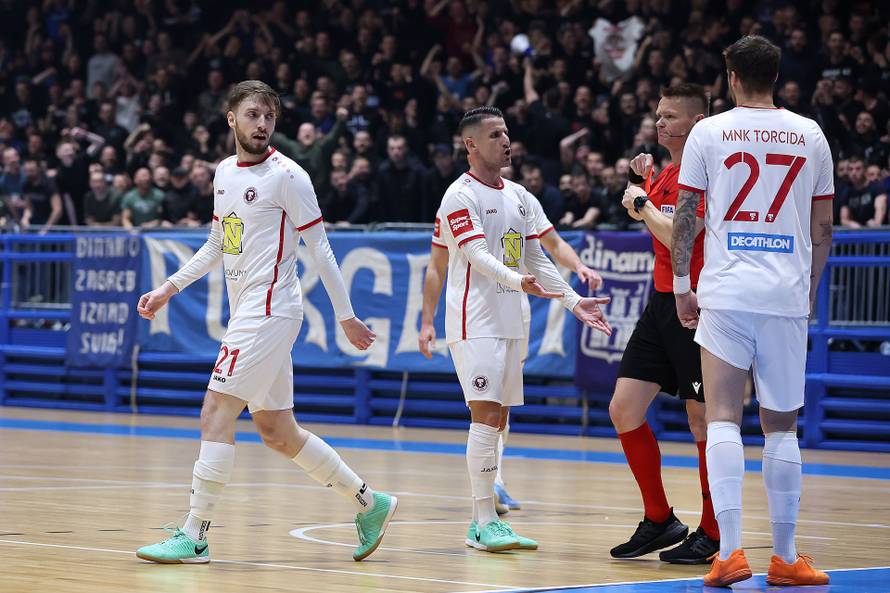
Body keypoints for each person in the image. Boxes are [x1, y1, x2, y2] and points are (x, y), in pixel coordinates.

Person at [134, 80, 397, 564]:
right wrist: (170, 288)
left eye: (270, 117)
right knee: (278, 431)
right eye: (253, 114)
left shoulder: (288, 176)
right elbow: (219, 243)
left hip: (270, 309)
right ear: (231, 118)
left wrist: (347, 316)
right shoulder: (224, 172)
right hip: (252, 311)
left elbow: (320, 247)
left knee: (215, 412)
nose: (262, 124)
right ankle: (371, 503)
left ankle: (195, 534)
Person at [670, 36, 834, 587]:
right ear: (777, 76)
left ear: (732, 77)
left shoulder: (708, 132)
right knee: (781, 427)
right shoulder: (810, 133)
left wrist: (680, 284)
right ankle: (785, 558)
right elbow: (824, 227)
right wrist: (808, 291)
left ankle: (731, 553)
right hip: (784, 294)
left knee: (721, 417)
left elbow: (688, 213)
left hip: (725, 293)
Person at [422, 106, 611, 552]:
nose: (506, 141)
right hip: (474, 321)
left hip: (511, 321)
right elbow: (475, 255)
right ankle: (486, 522)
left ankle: (478, 523)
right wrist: (515, 280)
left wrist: (571, 300)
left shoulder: (520, 196)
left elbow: (536, 258)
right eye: (494, 135)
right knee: (485, 416)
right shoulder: (458, 195)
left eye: (506, 132)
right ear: (470, 145)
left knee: (500, 418)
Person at [610, 83, 718, 564]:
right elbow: (657, 217)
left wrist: (639, 202)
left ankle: (712, 532)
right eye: (658, 115)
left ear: (696, 123)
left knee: (702, 418)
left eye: (670, 117)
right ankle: (660, 518)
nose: (659, 123)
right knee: (623, 408)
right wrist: (646, 186)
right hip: (659, 304)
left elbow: (679, 233)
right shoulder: (668, 171)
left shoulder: (705, 171)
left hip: (695, 304)